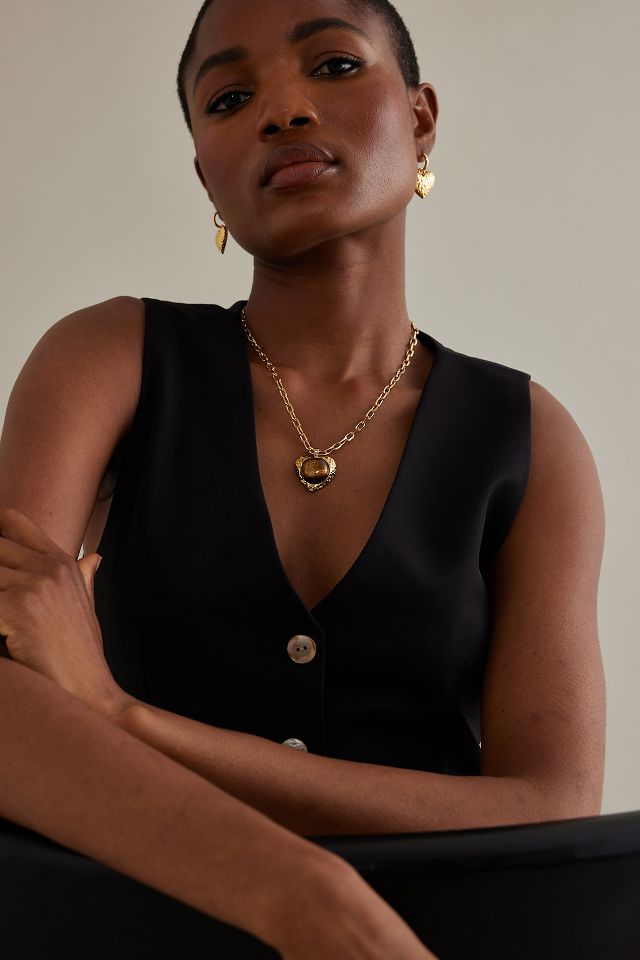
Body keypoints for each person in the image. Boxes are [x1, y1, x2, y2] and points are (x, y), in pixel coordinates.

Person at [0, 0, 606, 957]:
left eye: (332, 66)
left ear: (420, 118)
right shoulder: (110, 359)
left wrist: (122, 719)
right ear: (205, 173)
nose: (282, 110)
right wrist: (306, 898)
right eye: (229, 98)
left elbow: (553, 806)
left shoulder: (530, 438)